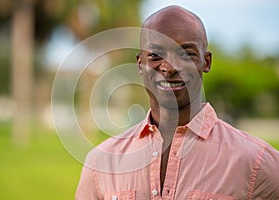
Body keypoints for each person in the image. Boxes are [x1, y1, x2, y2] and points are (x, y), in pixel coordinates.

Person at [75, 5, 279, 199]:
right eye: (155, 55)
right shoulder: (101, 163)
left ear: (206, 62)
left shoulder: (256, 162)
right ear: (140, 63)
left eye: (186, 54)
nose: (170, 67)